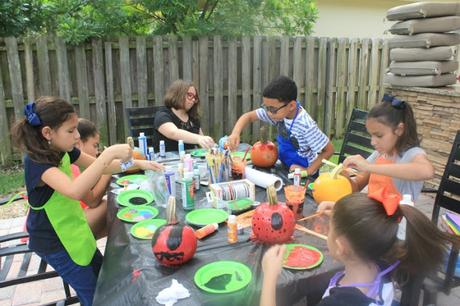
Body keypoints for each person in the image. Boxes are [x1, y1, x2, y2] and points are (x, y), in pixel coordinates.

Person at [11, 96, 163, 306]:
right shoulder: (37, 163)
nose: (76, 136)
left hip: (75, 233)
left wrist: (138, 163)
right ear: (47, 133)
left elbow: (104, 167)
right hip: (55, 243)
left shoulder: (62, 149)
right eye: (71, 130)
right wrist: (107, 154)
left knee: (103, 283)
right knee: (94, 296)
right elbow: (75, 190)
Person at [260, 192, 459, 306]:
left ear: (340, 246)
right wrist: (342, 215)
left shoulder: (337, 304)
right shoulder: (386, 262)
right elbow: (369, 224)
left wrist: (270, 275)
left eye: (330, 229)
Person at [318, 94, 434, 213]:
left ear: (399, 129)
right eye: (371, 135)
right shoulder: (380, 154)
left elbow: (427, 171)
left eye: (379, 135)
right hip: (372, 217)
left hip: (395, 225)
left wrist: (369, 166)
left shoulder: (411, 154)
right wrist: (345, 175)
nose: (372, 142)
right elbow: (356, 188)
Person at [227, 75, 334, 177]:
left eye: (272, 109)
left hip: (303, 173)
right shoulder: (279, 113)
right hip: (285, 165)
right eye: (266, 108)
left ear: (291, 105)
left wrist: (308, 171)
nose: (269, 113)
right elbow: (248, 116)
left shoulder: (306, 126)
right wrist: (235, 133)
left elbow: (329, 150)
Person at [73, 118, 111, 239]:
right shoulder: (70, 166)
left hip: (69, 220)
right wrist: (107, 170)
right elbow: (93, 201)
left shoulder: (73, 165)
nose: (97, 151)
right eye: (95, 146)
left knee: (112, 224)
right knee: (111, 206)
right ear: (78, 144)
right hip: (61, 231)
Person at [153, 79, 215, 152]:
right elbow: (173, 133)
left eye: (195, 97)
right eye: (189, 95)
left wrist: (211, 146)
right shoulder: (162, 114)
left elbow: (202, 140)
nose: (193, 100)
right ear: (178, 94)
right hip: (166, 161)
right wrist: (198, 139)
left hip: (190, 161)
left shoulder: (193, 118)